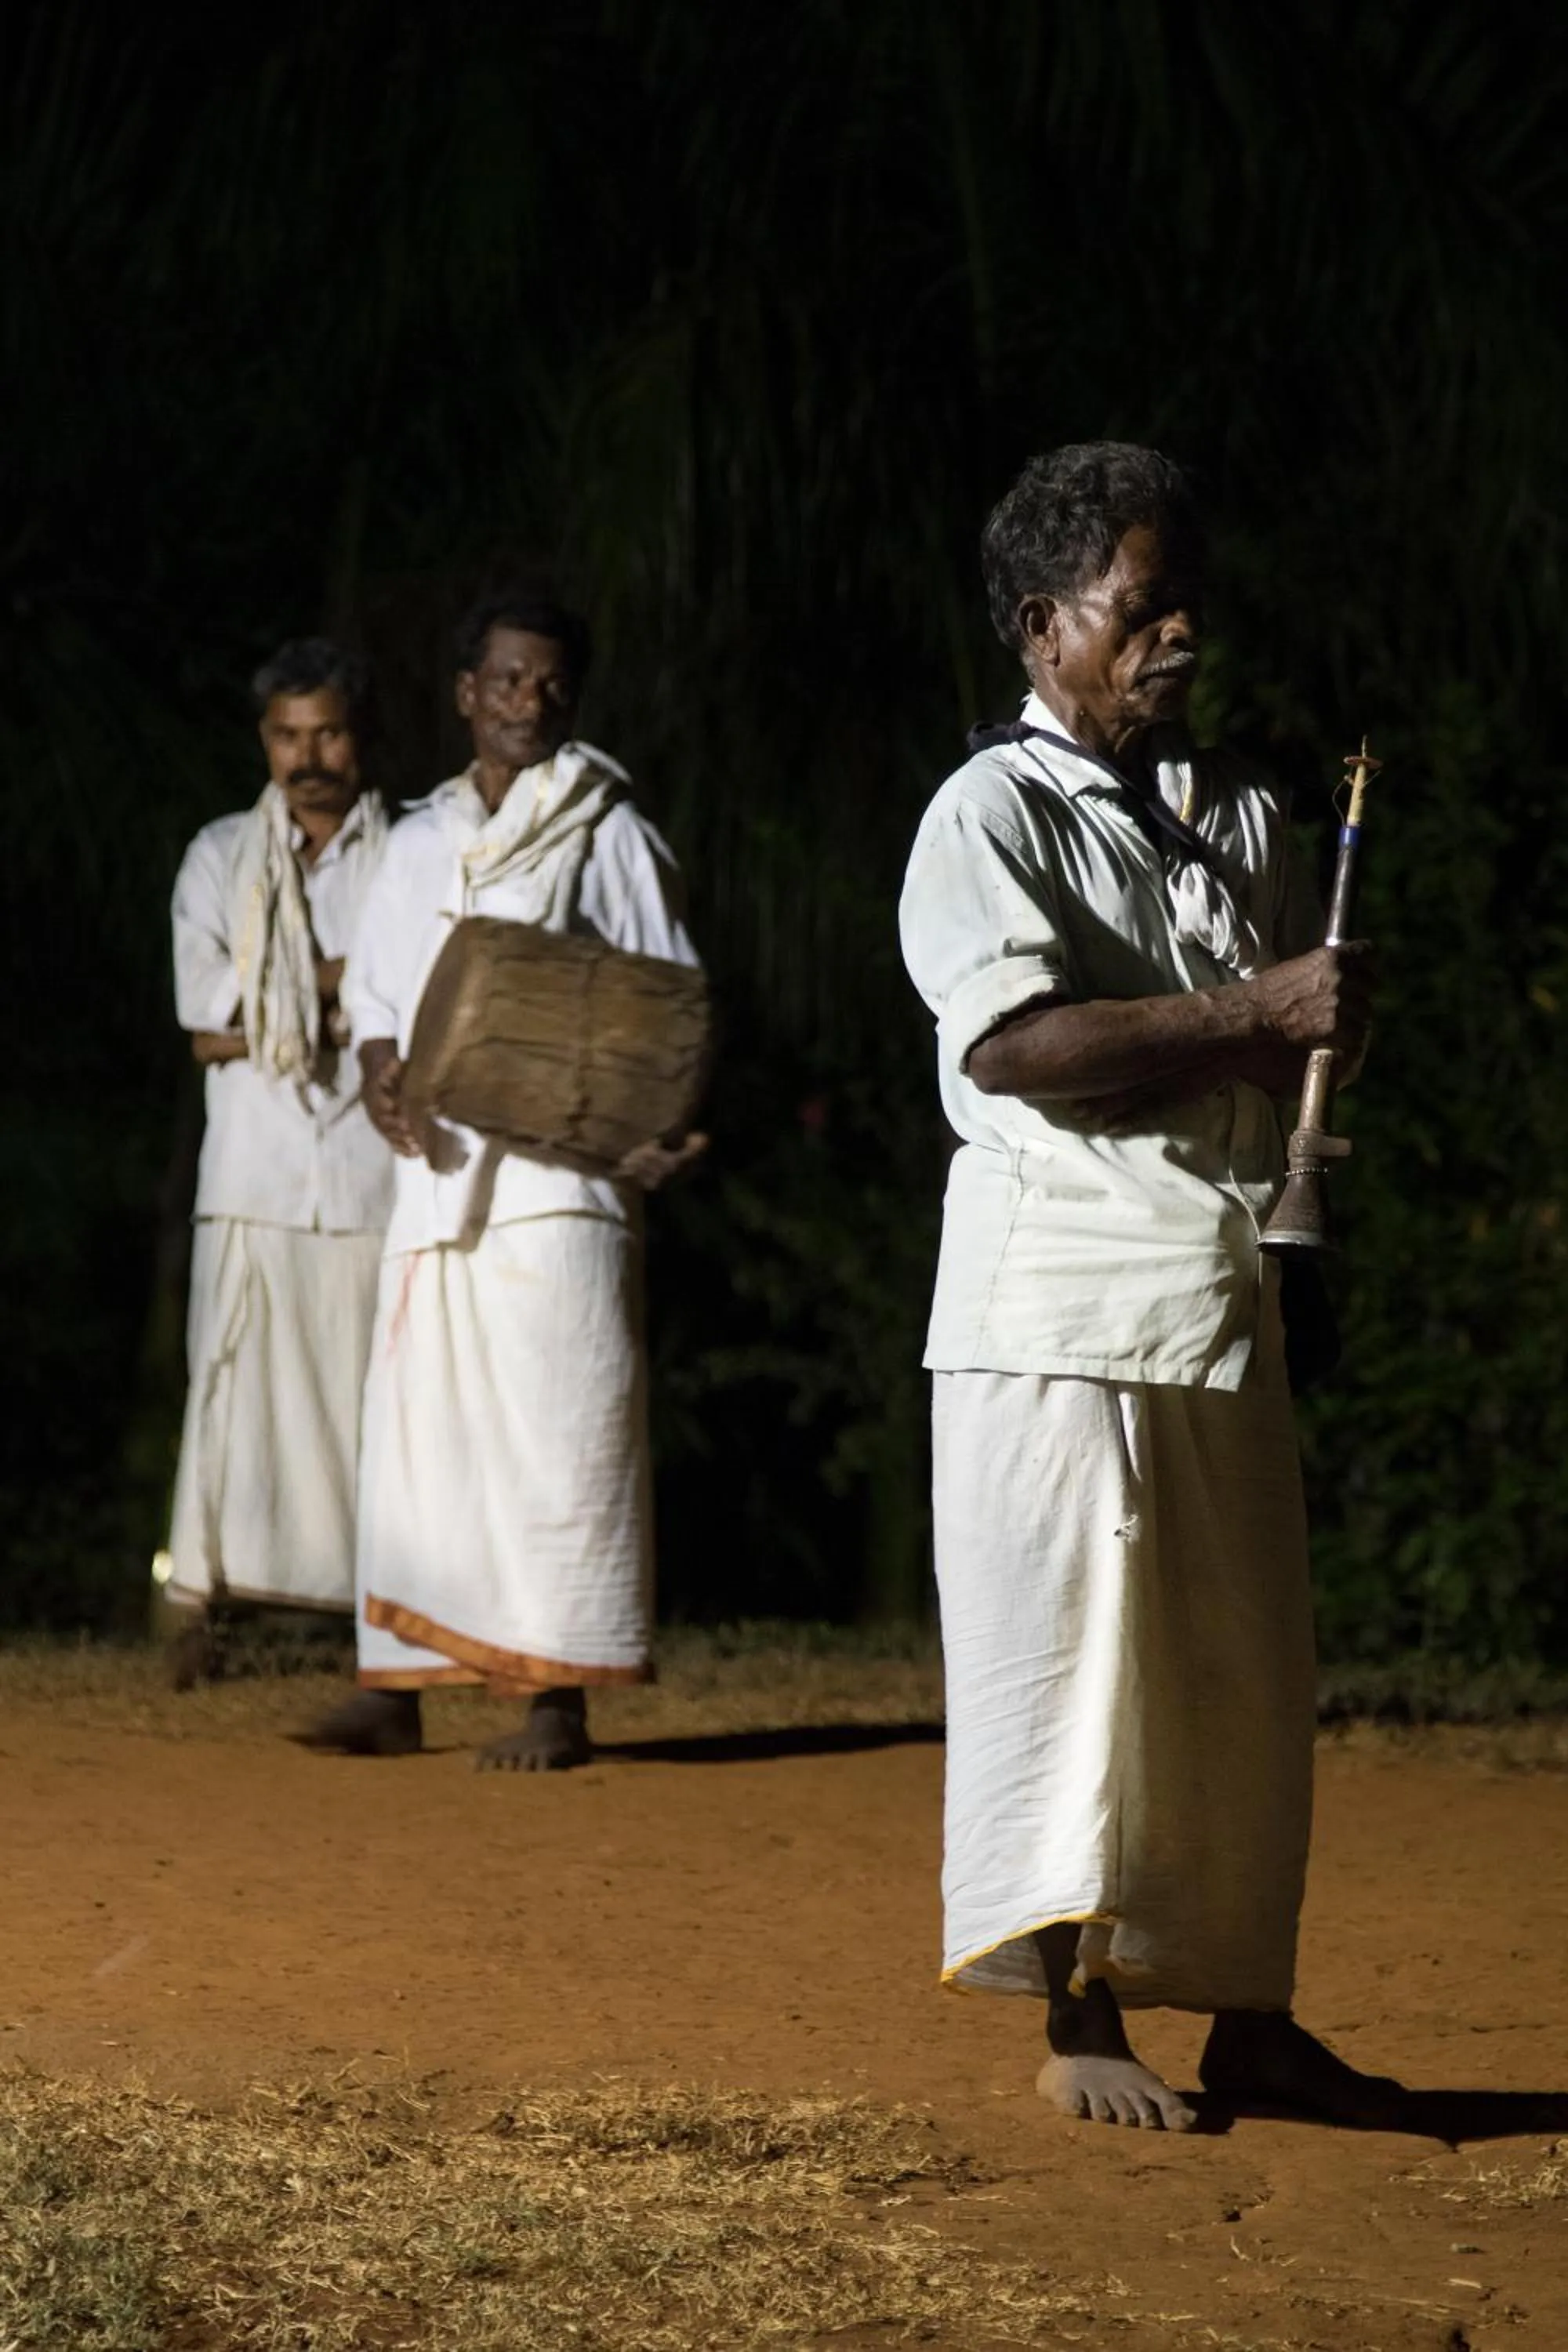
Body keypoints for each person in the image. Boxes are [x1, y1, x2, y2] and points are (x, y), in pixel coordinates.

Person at [898, 443, 1401, 2131]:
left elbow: (1273, 1050)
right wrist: (1259, 1014)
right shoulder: (988, 812)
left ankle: (1248, 2011)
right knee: (1067, 1670)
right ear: (1043, 626)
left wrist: (1311, 1041)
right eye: (1140, 604)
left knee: (1235, 1682)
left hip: (1213, 1287)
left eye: (1188, 598)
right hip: (1055, 1310)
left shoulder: (1245, 811)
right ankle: (1077, 2019)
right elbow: (1020, 1043)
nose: (1178, 630)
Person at [299, 589, 701, 1769]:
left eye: (553, 683)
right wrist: (382, 1073)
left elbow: (664, 999)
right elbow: (374, 997)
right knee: (418, 1439)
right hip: (435, 1182)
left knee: (559, 1427)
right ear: (467, 693)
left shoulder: (605, 829)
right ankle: (399, 1679)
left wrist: (643, 1123)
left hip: (558, 1184)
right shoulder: (416, 839)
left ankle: (555, 1694)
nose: (532, 702)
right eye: (510, 680)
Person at [164, 638, 394, 1680]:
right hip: (253, 1176)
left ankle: (377, 1609)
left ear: (359, 733)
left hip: (368, 1172)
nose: (310, 756)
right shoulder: (220, 855)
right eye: (290, 736)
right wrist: (338, 988)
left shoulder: (410, 851)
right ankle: (196, 1609)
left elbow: (425, 993)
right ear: (264, 741)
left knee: (371, 1398)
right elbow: (201, 1016)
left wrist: (287, 990)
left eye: (328, 732)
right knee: (225, 1391)